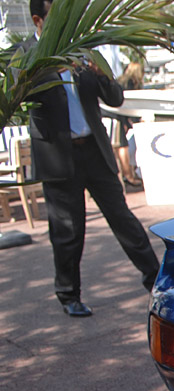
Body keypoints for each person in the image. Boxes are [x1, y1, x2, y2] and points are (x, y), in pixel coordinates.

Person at [27, 0, 160, 317]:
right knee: (68, 230)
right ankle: (68, 295)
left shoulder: (84, 51)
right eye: (58, 17)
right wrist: (48, 70)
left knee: (123, 218)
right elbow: (22, 99)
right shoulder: (26, 55)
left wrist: (102, 75)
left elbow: (114, 99)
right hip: (58, 157)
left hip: (95, 151)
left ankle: (155, 279)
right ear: (38, 20)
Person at [109, 61, 143, 187]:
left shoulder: (121, 80)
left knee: (119, 146)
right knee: (122, 145)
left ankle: (127, 173)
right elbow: (127, 103)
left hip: (112, 114)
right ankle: (128, 175)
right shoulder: (130, 83)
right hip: (116, 115)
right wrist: (132, 122)